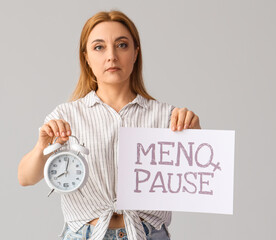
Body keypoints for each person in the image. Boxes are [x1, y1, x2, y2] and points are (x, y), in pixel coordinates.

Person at [18, 10, 200, 240]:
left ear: (135, 53)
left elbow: (195, 181)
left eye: (122, 45)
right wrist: (42, 146)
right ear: (86, 57)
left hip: (147, 234)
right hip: (84, 234)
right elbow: (25, 178)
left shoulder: (168, 118)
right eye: (99, 47)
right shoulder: (65, 116)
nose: (111, 56)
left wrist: (195, 137)